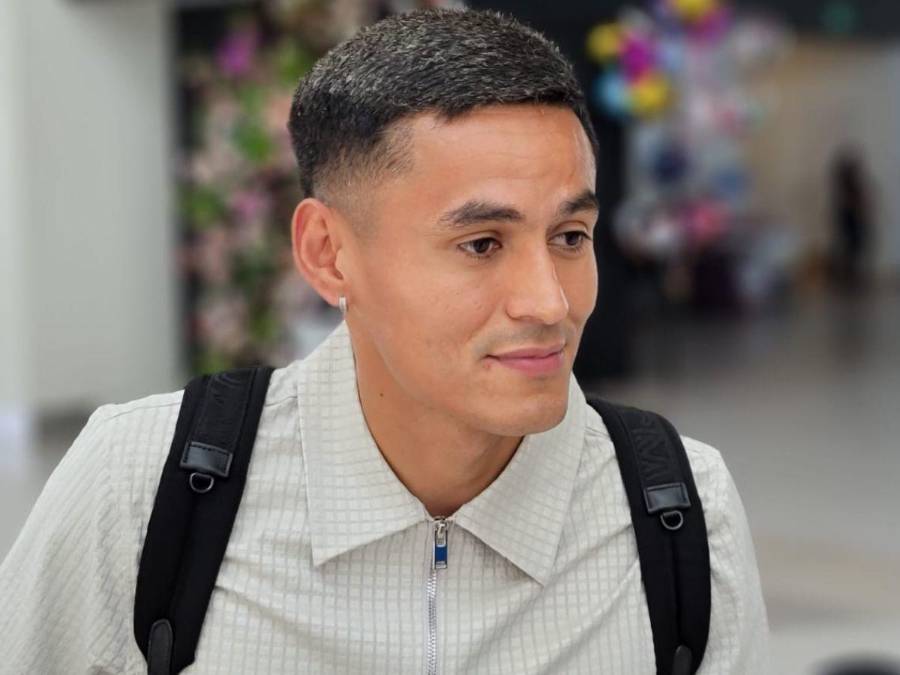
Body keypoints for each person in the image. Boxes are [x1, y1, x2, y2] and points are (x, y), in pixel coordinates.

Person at [0, 8, 768, 673]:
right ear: (328, 253)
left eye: (570, 235)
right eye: (481, 243)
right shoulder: (141, 487)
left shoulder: (679, 510)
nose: (550, 301)